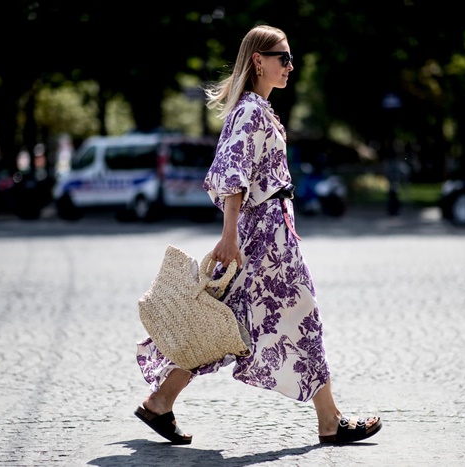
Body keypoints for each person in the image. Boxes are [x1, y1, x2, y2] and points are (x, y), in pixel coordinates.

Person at [135, 23, 382, 446]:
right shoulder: (250, 110)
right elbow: (233, 175)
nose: (290, 65)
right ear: (258, 61)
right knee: (300, 316)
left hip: (269, 230)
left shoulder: (260, 109)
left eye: (290, 57)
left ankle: (160, 401)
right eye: (283, 58)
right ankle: (330, 420)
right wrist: (229, 237)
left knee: (227, 325)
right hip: (264, 237)